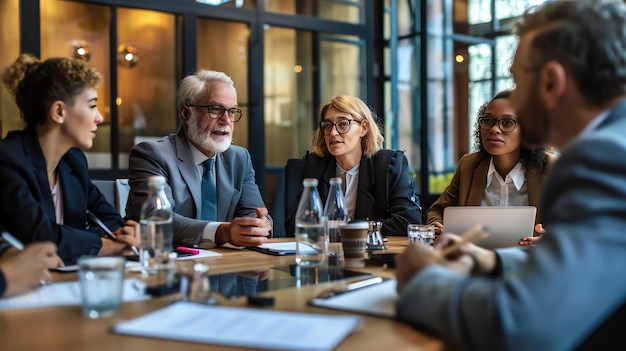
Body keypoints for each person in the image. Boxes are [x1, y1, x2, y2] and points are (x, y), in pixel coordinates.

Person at [395, 0, 626, 350]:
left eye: (517, 82)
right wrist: (491, 259)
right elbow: (584, 259)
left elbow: (521, 325)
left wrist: (423, 279)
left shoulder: (602, 158)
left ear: (551, 82)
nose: (512, 102)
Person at [0, 54, 140, 265]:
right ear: (58, 111)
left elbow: (111, 220)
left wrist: (126, 235)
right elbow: (40, 236)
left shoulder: (73, 161)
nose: (100, 118)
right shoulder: (7, 159)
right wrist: (108, 245)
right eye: (92, 105)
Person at [126, 70, 272, 248]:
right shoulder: (151, 154)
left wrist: (257, 226)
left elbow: (253, 213)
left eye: (232, 111)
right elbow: (158, 221)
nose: (226, 120)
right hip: (164, 264)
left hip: (226, 266)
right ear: (186, 113)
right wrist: (222, 232)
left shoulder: (239, 158)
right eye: (215, 109)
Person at [426, 90, 557, 245]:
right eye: (488, 120)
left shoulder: (553, 169)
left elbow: (577, 226)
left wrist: (550, 238)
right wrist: (436, 225)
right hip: (474, 258)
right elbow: (437, 210)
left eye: (507, 123)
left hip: (530, 261)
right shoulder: (469, 165)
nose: (494, 129)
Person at [285, 95, 422, 236]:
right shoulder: (315, 166)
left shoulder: (389, 166)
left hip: (375, 254)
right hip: (328, 253)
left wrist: (350, 227)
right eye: (327, 126)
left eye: (343, 124)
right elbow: (293, 226)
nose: (333, 132)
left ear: (364, 128)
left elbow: (408, 222)